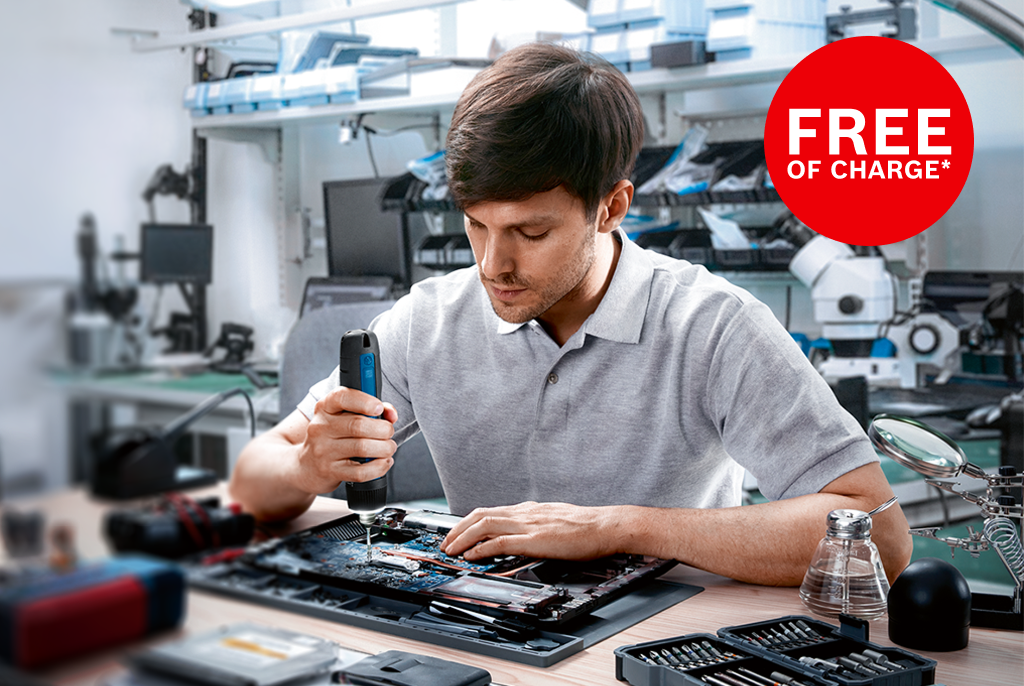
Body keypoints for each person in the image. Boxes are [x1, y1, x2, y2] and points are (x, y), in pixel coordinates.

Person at [229, 43, 910, 587]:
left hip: (661, 646)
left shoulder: (714, 325)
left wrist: (621, 527)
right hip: (484, 624)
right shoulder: (427, 321)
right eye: (476, 226)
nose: (494, 264)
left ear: (611, 207)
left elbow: (879, 534)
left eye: (530, 233)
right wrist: (310, 467)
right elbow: (251, 479)